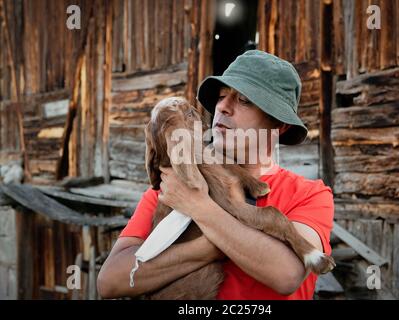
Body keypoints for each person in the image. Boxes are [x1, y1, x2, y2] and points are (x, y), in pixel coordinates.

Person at [97, 50, 334, 300]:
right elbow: (110, 282)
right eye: (221, 97)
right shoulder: (172, 185)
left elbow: (286, 275)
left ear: (279, 125)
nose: (223, 107)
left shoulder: (309, 195)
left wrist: (198, 207)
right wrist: (208, 249)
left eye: (244, 100)